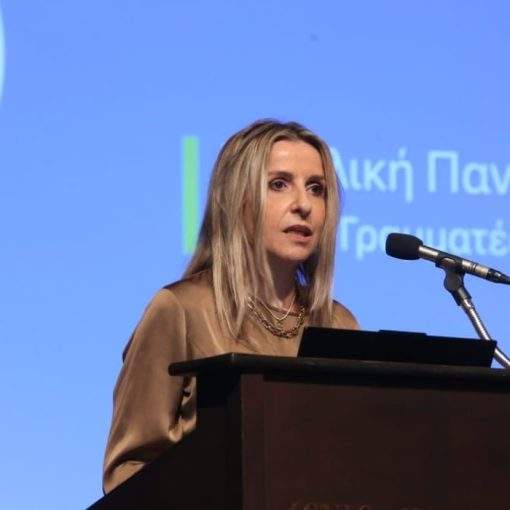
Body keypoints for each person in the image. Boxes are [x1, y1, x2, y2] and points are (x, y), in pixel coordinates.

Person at [102, 119, 359, 493]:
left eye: (316, 189)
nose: (304, 205)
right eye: (279, 184)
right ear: (236, 199)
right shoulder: (180, 310)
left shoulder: (338, 323)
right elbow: (127, 471)